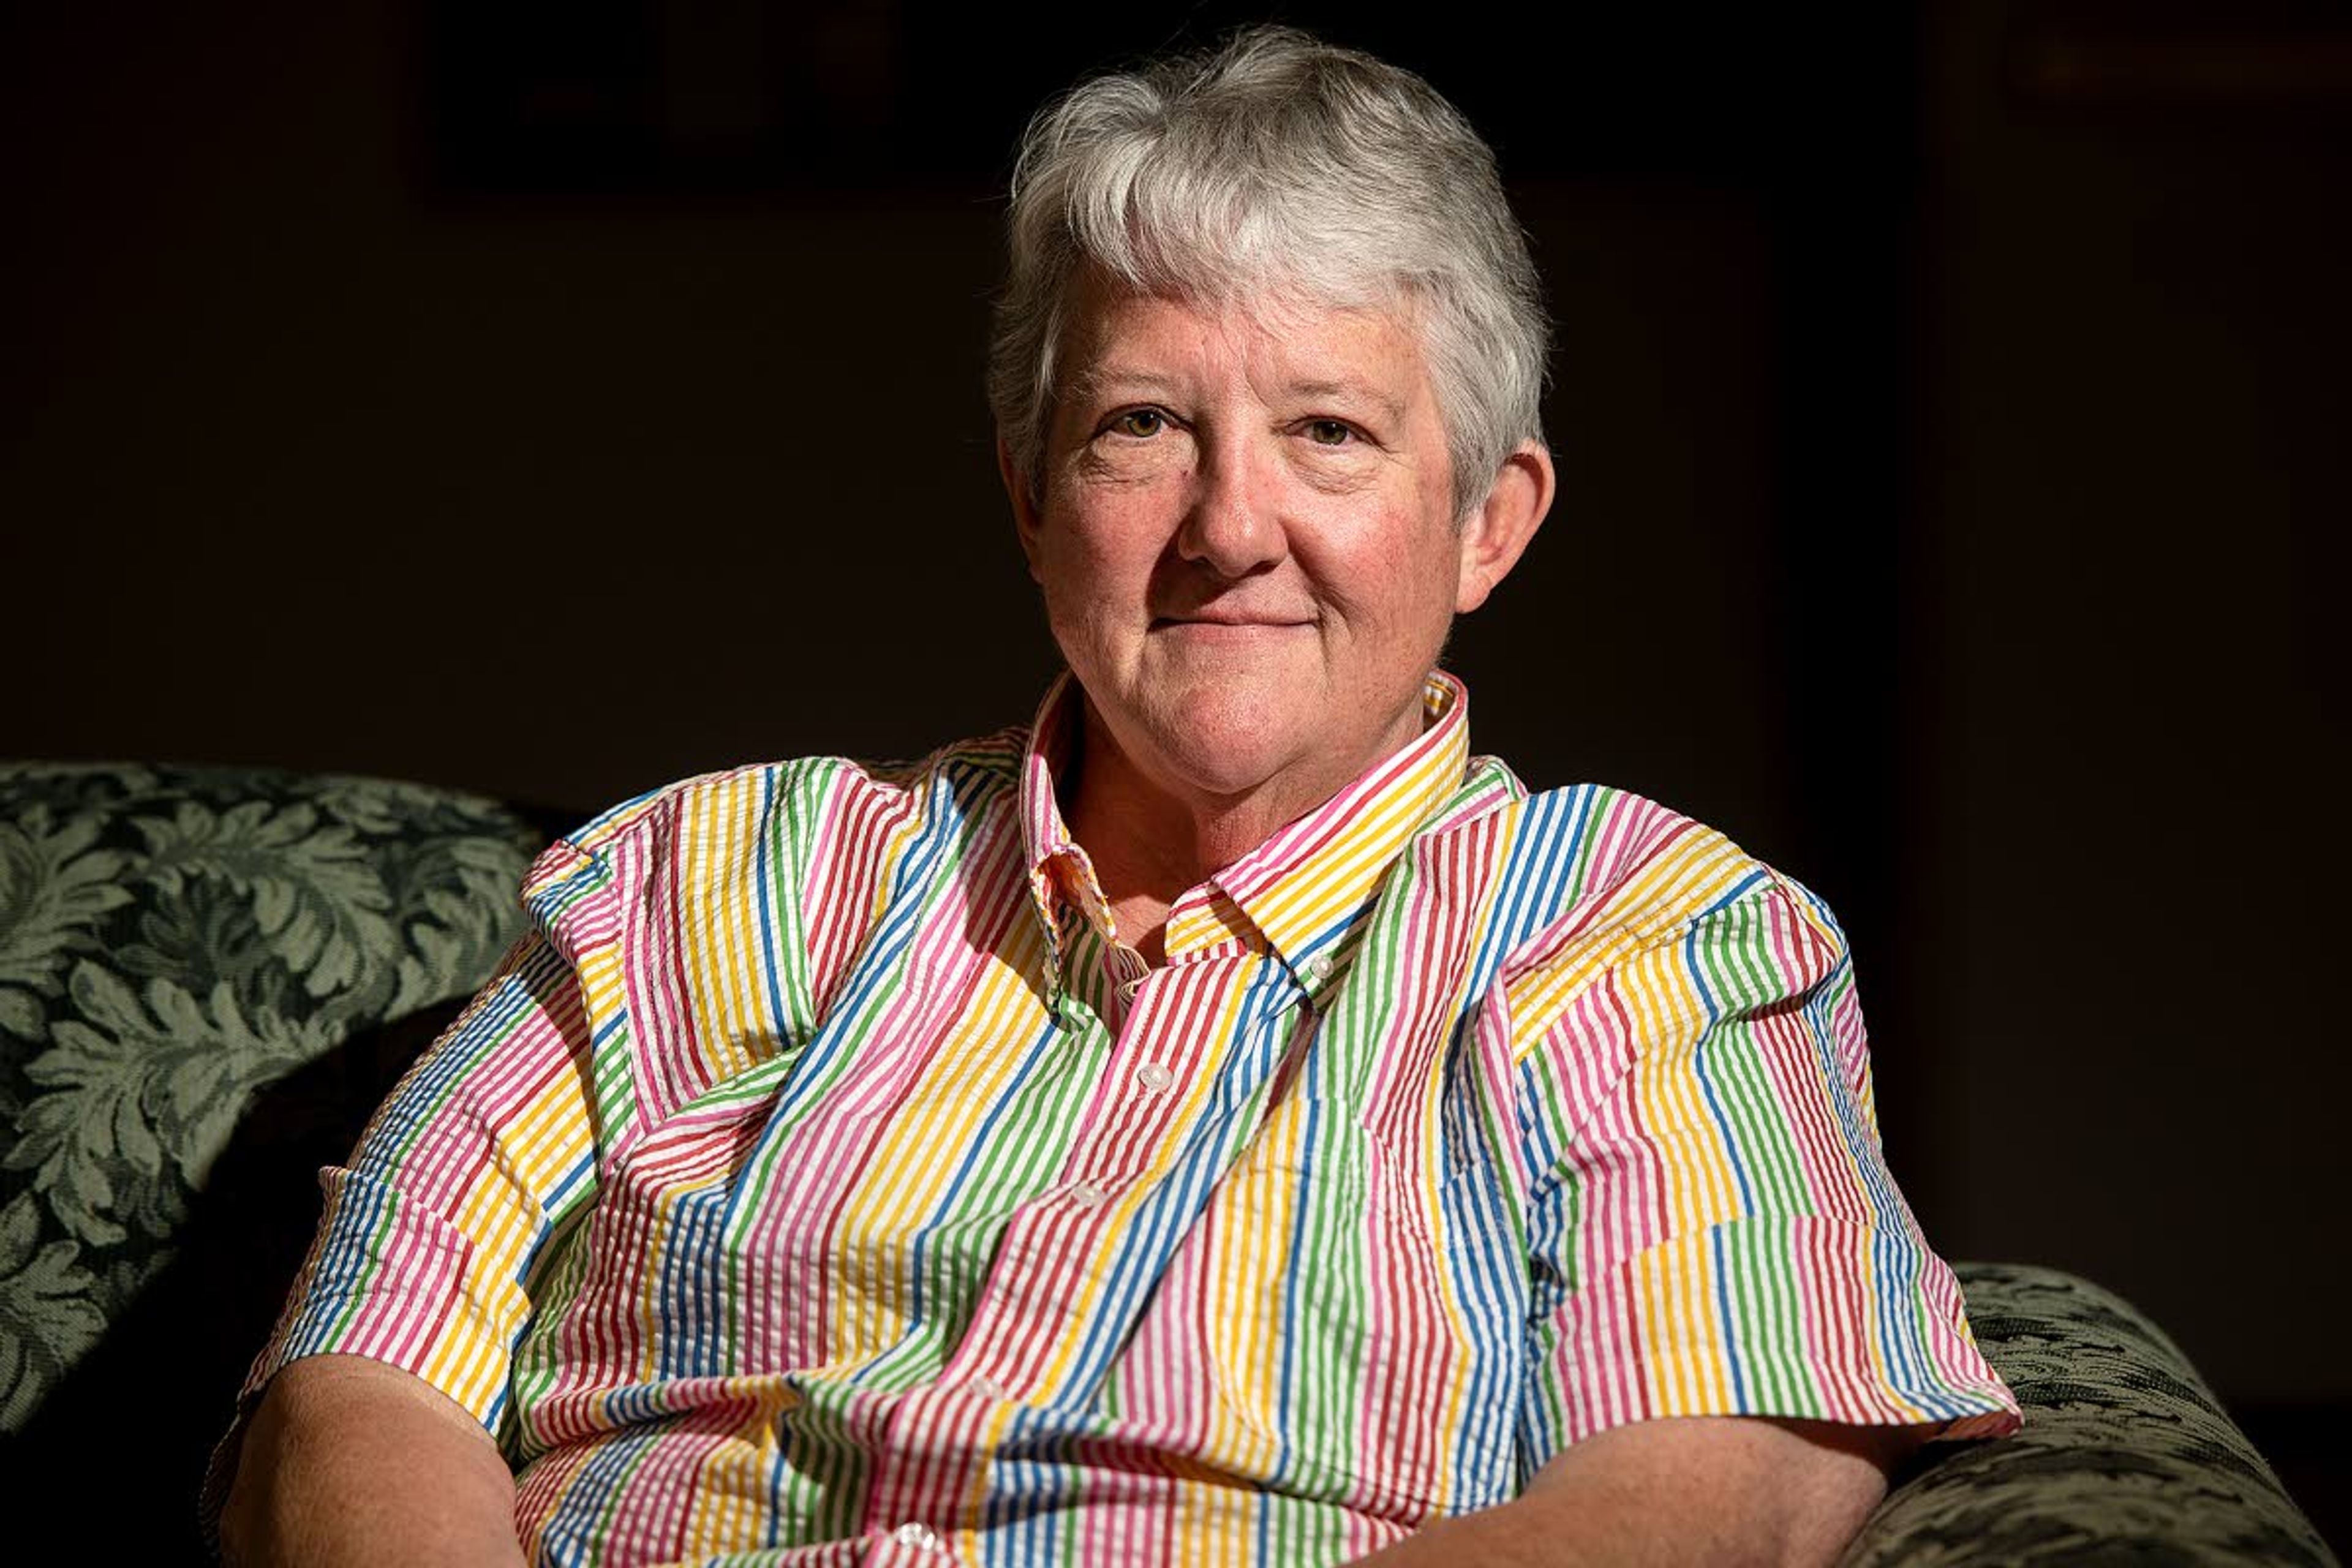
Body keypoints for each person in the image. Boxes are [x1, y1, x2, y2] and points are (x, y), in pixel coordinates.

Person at [214, 26, 2018, 1566]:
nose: (1232, 529)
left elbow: (1723, 1482)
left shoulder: (1654, 941)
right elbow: (356, 1373)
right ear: (1029, 496)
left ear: (1490, 522)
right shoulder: (701, 881)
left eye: (1329, 431)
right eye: (1142, 425)